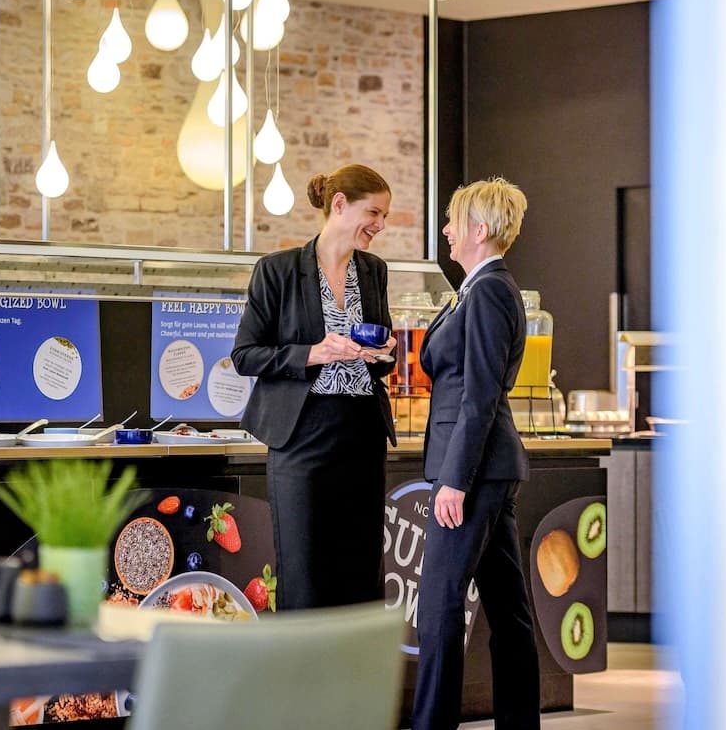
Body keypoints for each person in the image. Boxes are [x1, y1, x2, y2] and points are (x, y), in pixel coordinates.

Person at [231, 163, 398, 611]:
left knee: (361, 575)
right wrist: (312, 353)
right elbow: (245, 355)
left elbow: (383, 357)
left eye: (384, 216)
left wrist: (385, 353)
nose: (381, 225)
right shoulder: (278, 270)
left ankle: (357, 660)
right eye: (374, 213)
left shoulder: (374, 271)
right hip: (302, 437)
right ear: (339, 204)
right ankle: (303, 661)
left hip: (362, 433)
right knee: (305, 574)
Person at [412, 177, 540, 730]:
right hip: (490, 466)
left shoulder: (488, 291)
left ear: (479, 229)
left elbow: (480, 395)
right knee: (509, 611)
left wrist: (455, 480)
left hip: (474, 470)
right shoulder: (477, 288)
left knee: (438, 608)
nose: (446, 231)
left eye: (453, 221)